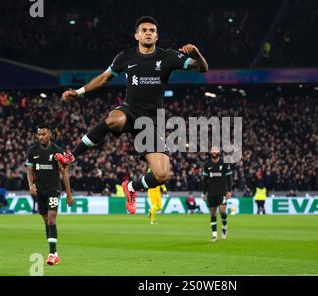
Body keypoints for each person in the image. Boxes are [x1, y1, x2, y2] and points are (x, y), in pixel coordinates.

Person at [55, 16, 208, 215]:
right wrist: (79, 92)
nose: (148, 33)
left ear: (157, 36)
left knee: (162, 175)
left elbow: (202, 68)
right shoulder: (125, 57)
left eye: (152, 30)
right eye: (144, 30)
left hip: (150, 123)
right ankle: (71, 156)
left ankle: (131, 187)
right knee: (114, 120)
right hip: (129, 110)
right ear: (136, 35)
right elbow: (104, 78)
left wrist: (197, 54)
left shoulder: (169, 57)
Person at [26, 124, 74, 265]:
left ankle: (52, 254)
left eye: (44, 134)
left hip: (54, 189)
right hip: (40, 191)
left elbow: (64, 173)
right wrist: (31, 185)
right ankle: (54, 252)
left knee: (52, 218)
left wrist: (69, 194)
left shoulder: (57, 151)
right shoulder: (32, 150)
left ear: (50, 134)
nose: (41, 137)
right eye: (39, 134)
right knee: (46, 219)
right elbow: (29, 170)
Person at [202, 146, 233, 242]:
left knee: (222, 210)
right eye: (212, 150)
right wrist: (204, 193)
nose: (214, 152)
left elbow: (229, 178)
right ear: (210, 152)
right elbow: (205, 180)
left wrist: (229, 190)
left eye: (216, 150)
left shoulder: (224, 163)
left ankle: (224, 226)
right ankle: (214, 235)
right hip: (211, 192)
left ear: (219, 152)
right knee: (212, 213)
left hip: (222, 191)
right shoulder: (207, 165)